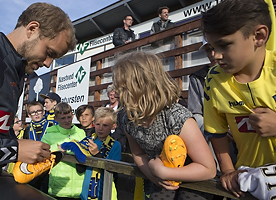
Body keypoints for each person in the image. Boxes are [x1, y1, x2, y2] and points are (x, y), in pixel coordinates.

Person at [0, 2, 76, 198]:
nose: (47, 64)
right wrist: (14, 150)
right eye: (49, 53)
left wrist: (19, 149)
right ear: (32, 29)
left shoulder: (18, 71)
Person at [112, 51, 216, 199]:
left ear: (142, 86)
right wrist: (154, 176)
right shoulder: (128, 119)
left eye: (122, 89)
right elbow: (139, 154)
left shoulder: (176, 116)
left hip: (195, 183)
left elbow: (208, 169)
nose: (115, 93)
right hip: (162, 181)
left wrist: (164, 173)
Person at [202, 0, 276, 198]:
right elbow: (216, 132)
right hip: (248, 184)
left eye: (224, 45)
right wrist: (227, 170)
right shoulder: (213, 79)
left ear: (259, 36)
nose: (215, 55)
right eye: (211, 47)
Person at [41, 102, 86, 200]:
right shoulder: (49, 135)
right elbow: (42, 153)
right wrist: (58, 149)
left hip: (80, 188)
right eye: (63, 118)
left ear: (72, 116)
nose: (67, 121)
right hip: (59, 189)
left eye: (69, 117)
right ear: (55, 119)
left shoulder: (81, 133)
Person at [187, 38, 216, 135]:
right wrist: (214, 131)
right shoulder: (197, 78)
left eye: (215, 48)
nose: (212, 54)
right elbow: (195, 113)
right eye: (208, 50)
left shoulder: (236, 73)